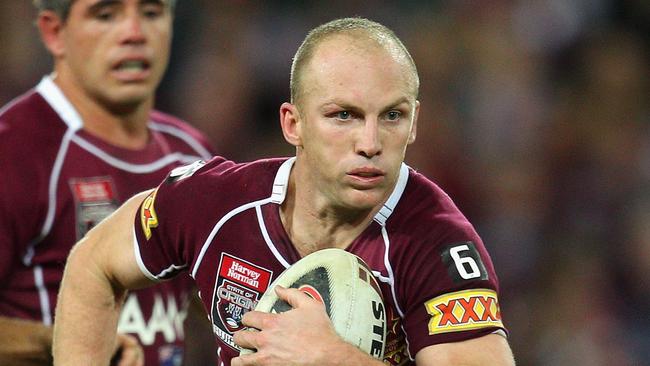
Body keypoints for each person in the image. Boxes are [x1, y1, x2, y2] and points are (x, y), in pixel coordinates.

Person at [53, 17, 516, 365]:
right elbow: (93, 265)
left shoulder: (439, 248)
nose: (371, 143)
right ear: (292, 123)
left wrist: (334, 358)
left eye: (392, 116)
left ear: (414, 122)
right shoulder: (215, 204)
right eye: (343, 116)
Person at [0, 0, 220, 365]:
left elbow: (211, 294)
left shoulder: (192, 153)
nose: (135, 34)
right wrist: (72, 338)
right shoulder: (14, 150)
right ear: (54, 33)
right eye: (106, 15)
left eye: (152, 13)